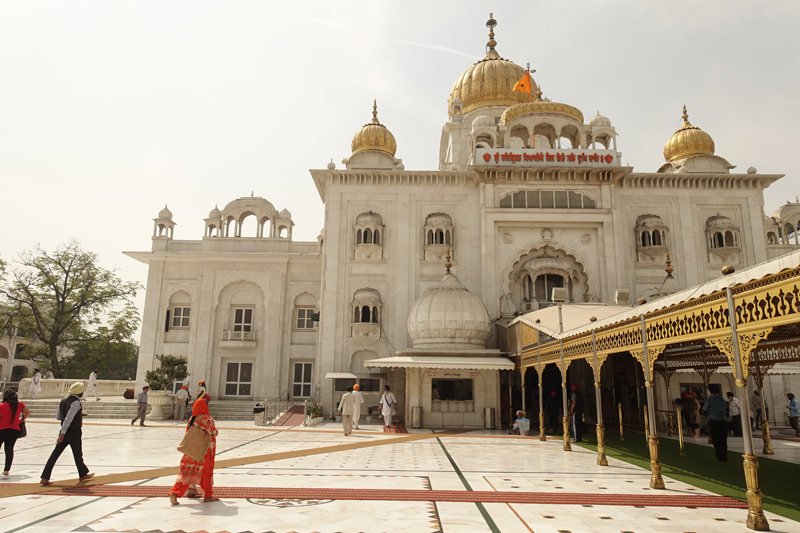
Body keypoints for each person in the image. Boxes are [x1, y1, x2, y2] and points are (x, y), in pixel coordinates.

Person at [168, 392, 219, 505]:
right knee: (205, 473)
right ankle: (208, 495)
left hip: (190, 451)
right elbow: (213, 433)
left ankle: (175, 492)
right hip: (203, 452)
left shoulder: (192, 419)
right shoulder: (207, 419)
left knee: (187, 472)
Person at [40, 382, 93, 485]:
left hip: (64, 431)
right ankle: (82, 474)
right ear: (79, 392)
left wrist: (62, 432)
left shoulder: (63, 400)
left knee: (55, 454)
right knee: (77, 454)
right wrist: (63, 434)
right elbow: (69, 418)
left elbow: (58, 417)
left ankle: (45, 477)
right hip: (73, 431)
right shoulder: (76, 402)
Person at [0, 389, 30, 475]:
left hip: (2, 429)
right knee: (9, 449)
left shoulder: (2, 406)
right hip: (14, 429)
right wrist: (20, 420)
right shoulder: (20, 404)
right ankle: (6, 470)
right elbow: (27, 413)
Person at [705, 384, 728, 461]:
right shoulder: (722, 400)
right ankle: (724, 456)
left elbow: (704, 409)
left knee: (716, 440)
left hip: (714, 422)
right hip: (723, 421)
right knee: (723, 440)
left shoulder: (710, 400)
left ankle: (719, 457)